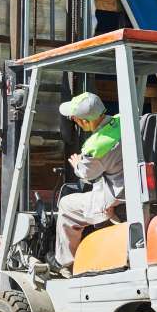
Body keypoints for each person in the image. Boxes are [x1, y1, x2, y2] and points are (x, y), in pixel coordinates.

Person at [49, 92, 125, 278]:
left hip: (116, 197)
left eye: (75, 119)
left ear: (84, 122)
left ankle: (65, 263)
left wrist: (77, 164)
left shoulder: (97, 146)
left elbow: (86, 174)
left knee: (67, 204)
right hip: (136, 188)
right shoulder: (124, 121)